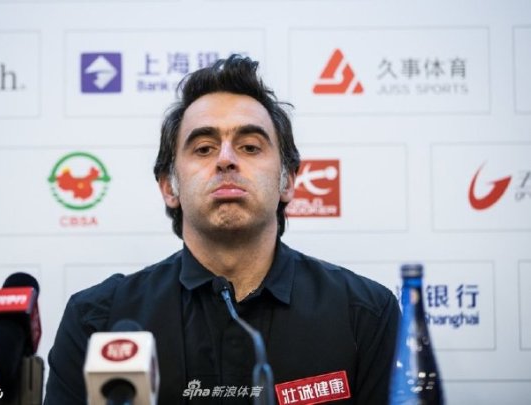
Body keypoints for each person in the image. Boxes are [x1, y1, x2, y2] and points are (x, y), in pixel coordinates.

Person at [44, 54, 400, 404]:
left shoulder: (365, 314)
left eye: (250, 147)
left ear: (288, 181)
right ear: (169, 187)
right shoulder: (98, 320)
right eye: (203, 148)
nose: (226, 159)